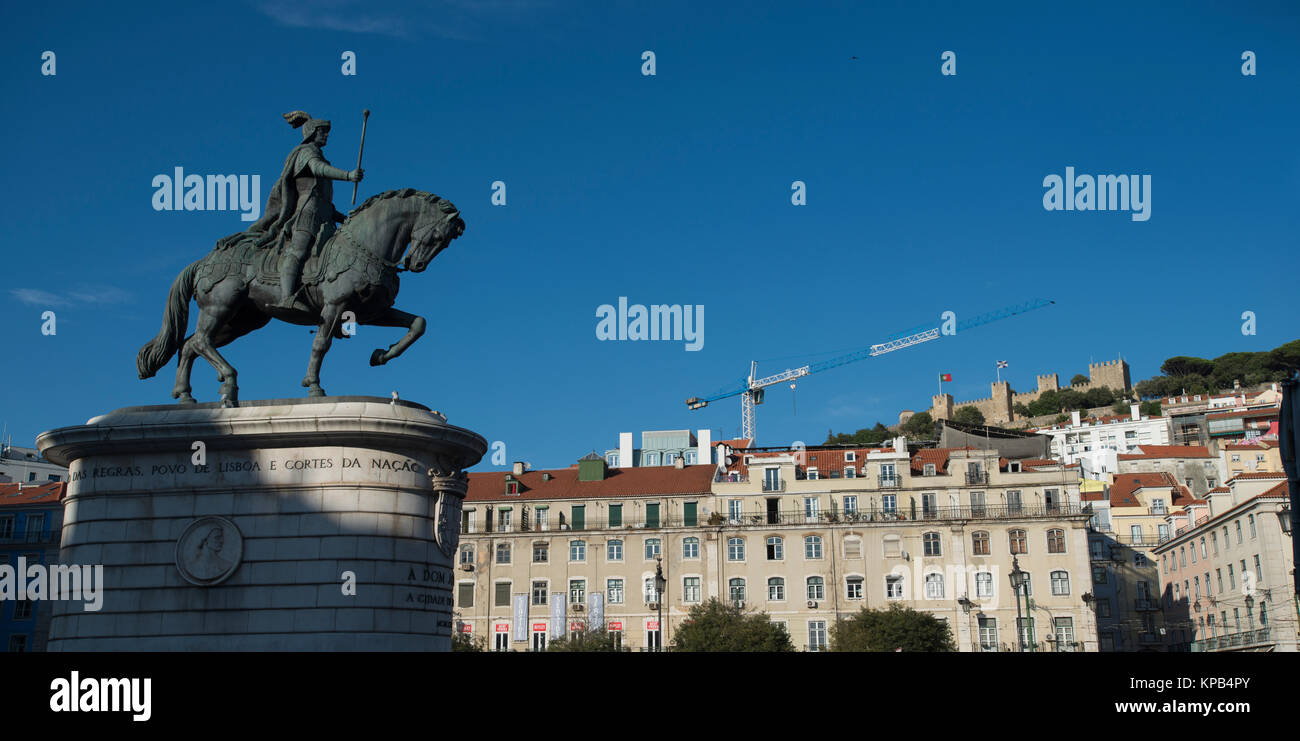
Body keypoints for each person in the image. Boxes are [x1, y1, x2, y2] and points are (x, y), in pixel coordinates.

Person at [219, 111, 362, 309]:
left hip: (323, 217)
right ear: (312, 132)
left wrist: (348, 219)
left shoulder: (319, 155)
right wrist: (348, 175)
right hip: (306, 214)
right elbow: (317, 168)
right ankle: (286, 298)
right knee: (298, 251)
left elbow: (325, 202)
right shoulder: (306, 153)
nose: (327, 135)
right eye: (323, 132)